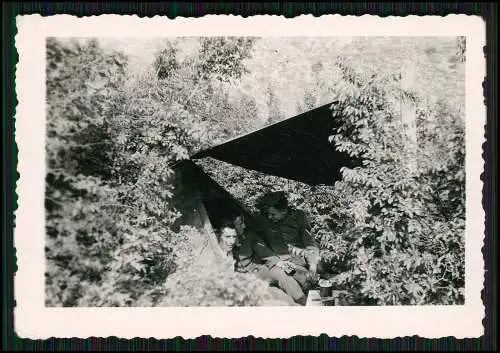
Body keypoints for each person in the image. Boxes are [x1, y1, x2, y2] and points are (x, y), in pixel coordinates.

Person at [232, 212, 313, 306]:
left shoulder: (250, 236)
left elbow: (265, 253)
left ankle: (303, 301)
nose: (244, 226)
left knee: (280, 272)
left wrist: (280, 263)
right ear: (231, 226)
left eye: (243, 222)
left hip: (256, 270)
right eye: (240, 224)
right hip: (240, 278)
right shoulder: (220, 241)